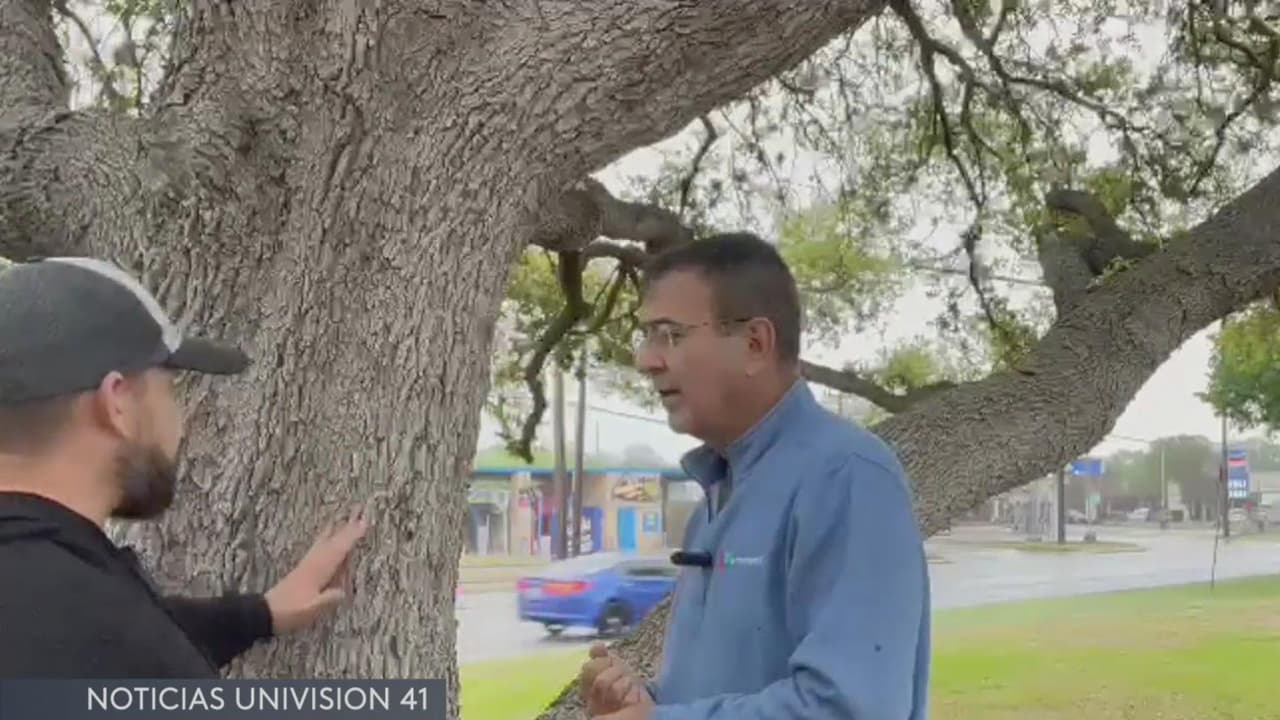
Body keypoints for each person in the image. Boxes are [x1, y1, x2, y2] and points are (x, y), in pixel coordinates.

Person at [580, 233, 931, 719]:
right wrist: (642, 703)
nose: (646, 360)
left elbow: (849, 709)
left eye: (671, 334)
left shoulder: (847, 478)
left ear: (754, 344)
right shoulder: (715, 497)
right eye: (647, 336)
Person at [0, 256, 368, 678]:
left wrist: (259, 615)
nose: (182, 425)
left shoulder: (59, 600)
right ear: (117, 402)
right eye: (171, 391)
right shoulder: (117, 639)